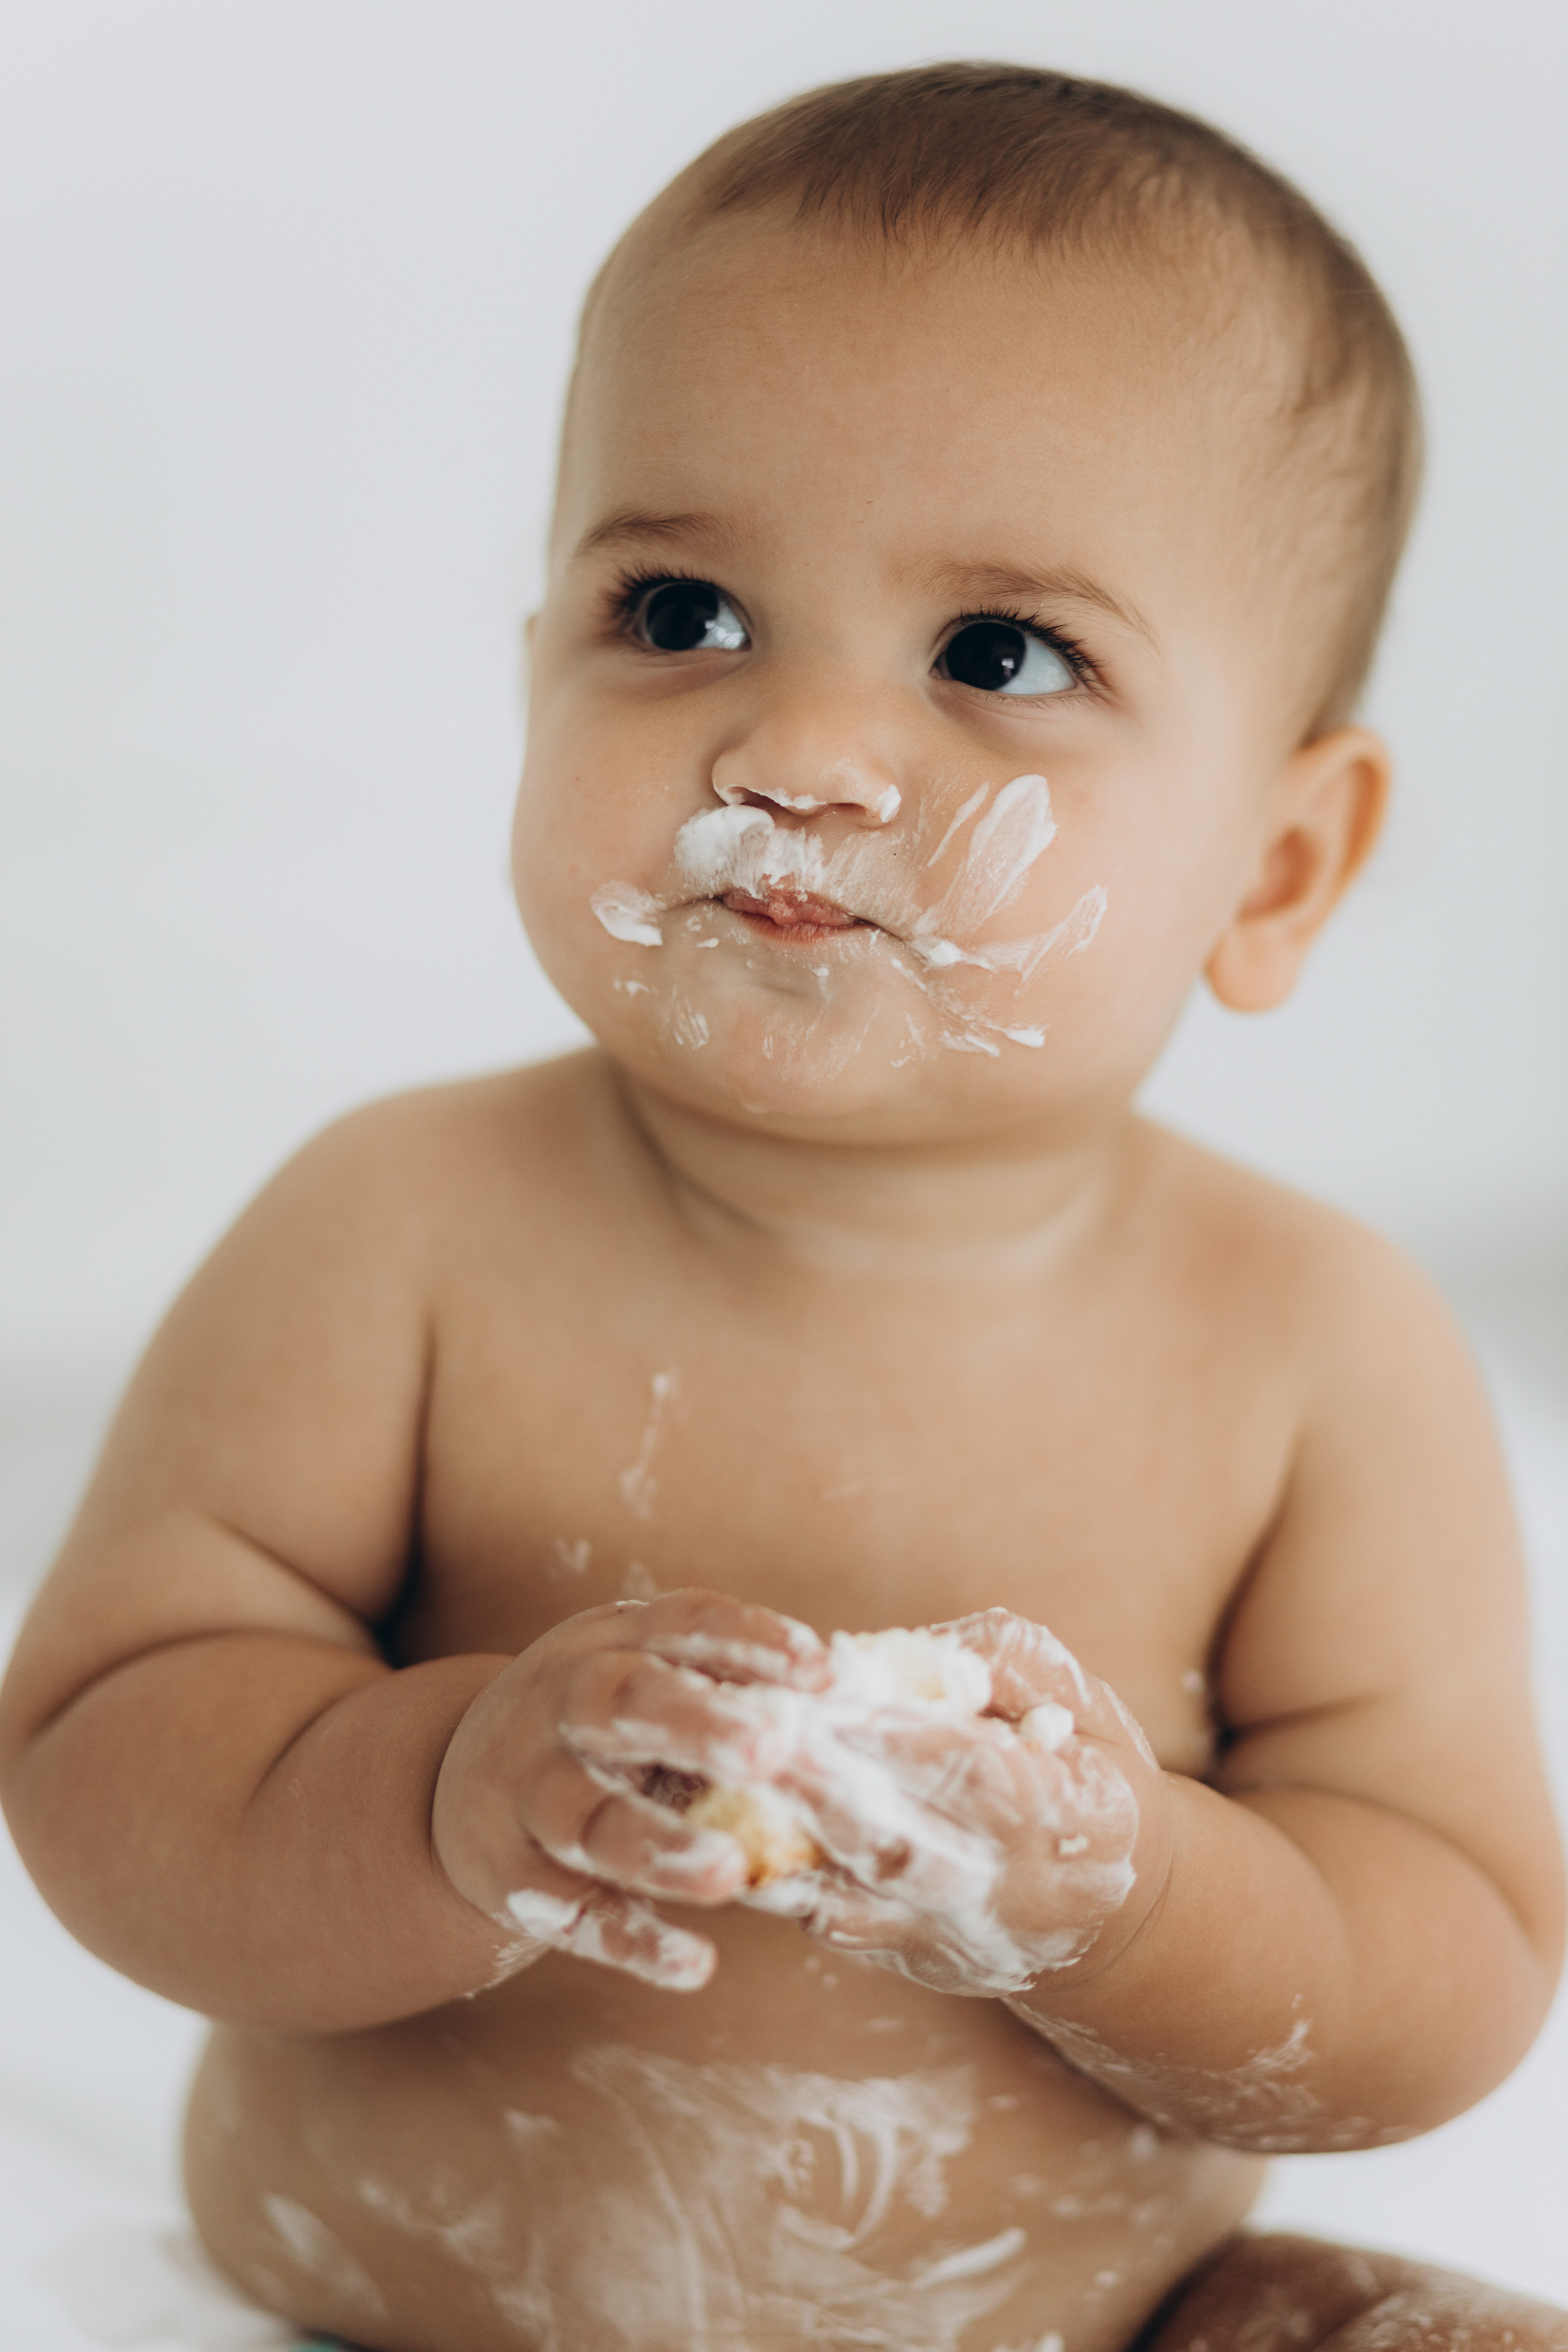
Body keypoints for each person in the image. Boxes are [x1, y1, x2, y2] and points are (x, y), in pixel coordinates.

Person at [2, 60, 1563, 2352]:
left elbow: (1448, 1969)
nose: (801, 751)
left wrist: (1121, 1897)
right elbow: (100, 1760)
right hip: (387, 2307)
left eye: (999, 655)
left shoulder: (1321, 1352)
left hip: (1092, 2317)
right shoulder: (395, 1228)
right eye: (684, 610)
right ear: (533, 662)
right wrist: (441, 1797)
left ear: (1277, 864)